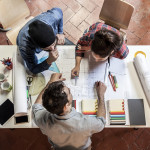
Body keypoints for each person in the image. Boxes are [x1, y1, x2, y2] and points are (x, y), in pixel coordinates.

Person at [32, 73, 106, 150]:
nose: (70, 89)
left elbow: (36, 106)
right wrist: (101, 95)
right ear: (66, 106)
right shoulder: (86, 123)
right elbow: (101, 122)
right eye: (69, 92)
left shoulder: (43, 120)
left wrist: (50, 83)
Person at [17, 8, 73, 74]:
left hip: (48, 25)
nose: (53, 49)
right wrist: (49, 61)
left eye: (53, 44)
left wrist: (60, 33)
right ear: (38, 46)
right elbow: (33, 69)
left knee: (72, 46)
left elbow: (59, 11)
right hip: (27, 43)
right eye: (47, 48)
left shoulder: (52, 17)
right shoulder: (25, 47)